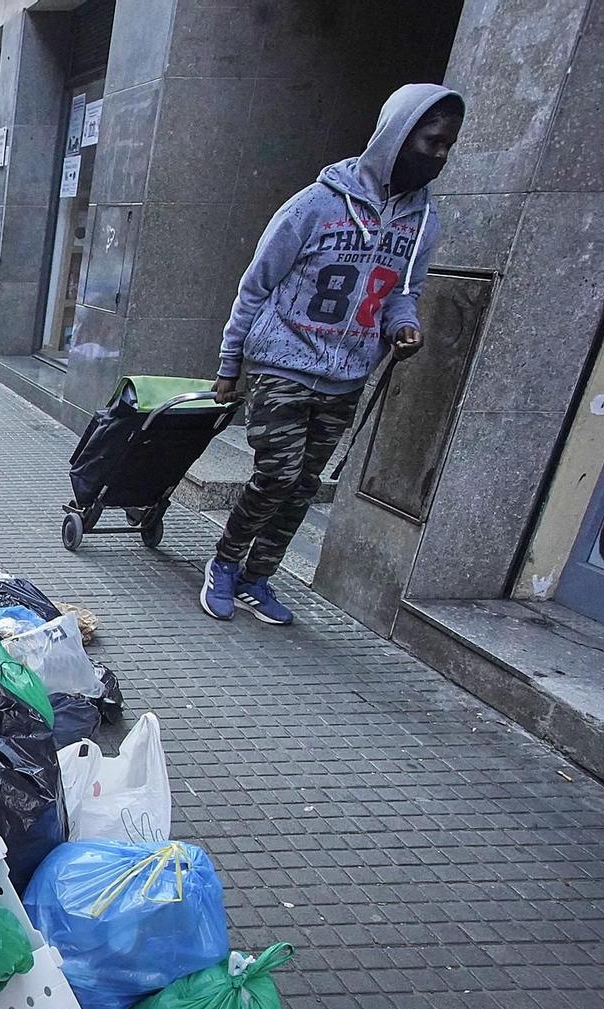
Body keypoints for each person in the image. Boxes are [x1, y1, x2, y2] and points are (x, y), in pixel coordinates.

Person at [201, 83, 465, 627]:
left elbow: (402, 293)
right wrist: (230, 365)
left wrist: (405, 325)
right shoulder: (315, 205)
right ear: (397, 136)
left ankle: (258, 577)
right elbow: (256, 284)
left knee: (303, 487)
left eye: (447, 148)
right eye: (431, 142)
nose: (437, 157)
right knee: (278, 474)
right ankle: (225, 564)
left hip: (347, 377)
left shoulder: (422, 224)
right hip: (283, 362)